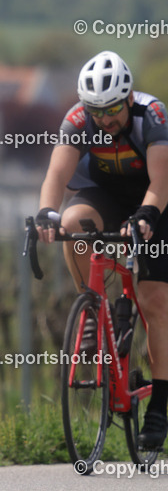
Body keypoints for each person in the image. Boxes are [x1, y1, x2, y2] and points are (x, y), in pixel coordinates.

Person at [36, 50, 168, 450]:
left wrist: (146, 215)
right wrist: (45, 212)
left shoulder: (153, 115)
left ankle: (159, 406)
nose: (105, 119)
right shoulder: (79, 120)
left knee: (155, 299)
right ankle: (92, 307)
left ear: (128, 99)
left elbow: (161, 181)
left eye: (112, 109)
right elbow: (57, 174)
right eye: (97, 111)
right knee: (72, 225)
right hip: (105, 195)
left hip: (156, 199)